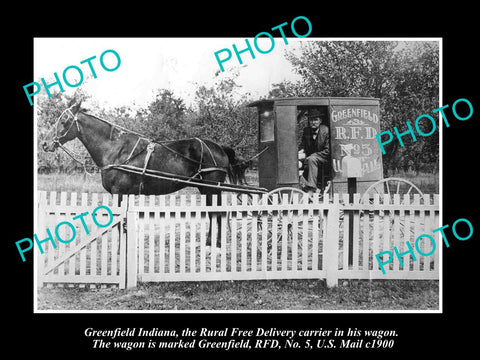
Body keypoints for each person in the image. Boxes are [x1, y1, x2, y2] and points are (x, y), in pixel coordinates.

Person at [299, 113, 330, 195]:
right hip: (311, 158)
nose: (313, 122)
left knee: (311, 159)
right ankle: (301, 186)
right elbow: (302, 146)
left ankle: (311, 188)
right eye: (311, 120)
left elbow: (328, 151)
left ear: (320, 121)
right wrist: (299, 153)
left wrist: (313, 156)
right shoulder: (307, 131)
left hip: (325, 158)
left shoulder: (326, 131)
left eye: (315, 120)